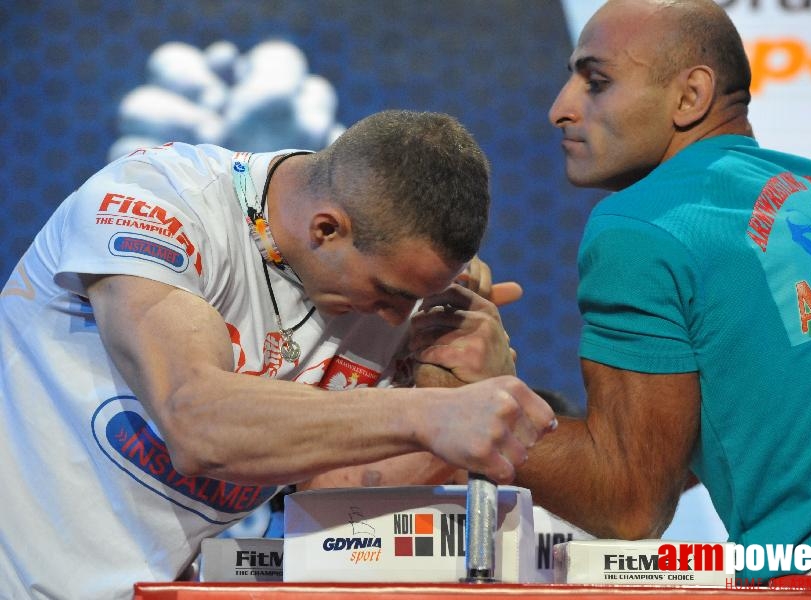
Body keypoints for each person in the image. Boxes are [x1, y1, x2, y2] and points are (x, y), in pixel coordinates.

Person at [0, 109, 556, 599]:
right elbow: (198, 423)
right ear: (327, 229)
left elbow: (335, 503)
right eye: (388, 294)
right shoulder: (154, 204)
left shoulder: (393, 299)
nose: (394, 318)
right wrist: (430, 414)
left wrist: (448, 377)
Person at [515, 0, 811, 594]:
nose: (559, 109)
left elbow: (629, 504)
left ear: (690, 96)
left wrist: (455, 403)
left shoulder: (640, 225)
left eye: (596, 81)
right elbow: (784, 424)